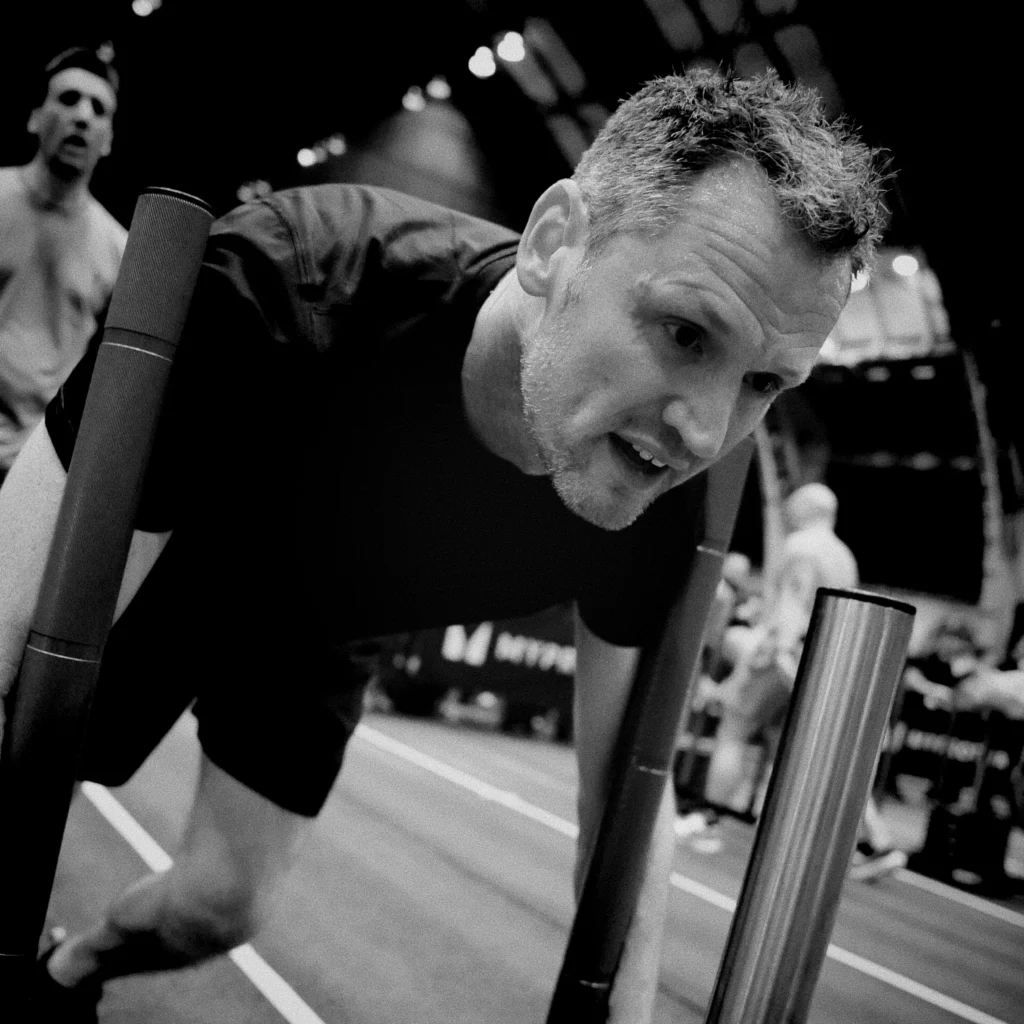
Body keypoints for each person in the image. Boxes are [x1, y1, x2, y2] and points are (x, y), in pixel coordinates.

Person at [0, 69, 887, 1020]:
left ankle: (71, 970)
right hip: (185, 542)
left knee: (221, 906)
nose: (706, 433)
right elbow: (5, 630)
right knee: (24, 761)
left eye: (764, 384)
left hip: (327, 622)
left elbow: (625, 812)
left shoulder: (661, 483)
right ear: (552, 244)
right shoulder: (281, 281)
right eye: (684, 332)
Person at [702, 483, 906, 879]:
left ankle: (710, 818)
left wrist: (768, 656)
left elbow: (792, 608)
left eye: (794, 504)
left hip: (785, 655)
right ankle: (876, 839)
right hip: (821, 660)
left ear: (806, 509)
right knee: (819, 750)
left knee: (733, 729)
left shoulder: (799, 546)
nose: (788, 510)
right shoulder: (844, 556)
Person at [0, 46, 125, 485]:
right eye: (69, 99)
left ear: (107, 140)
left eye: (98, 109)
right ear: (35, 118)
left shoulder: (119, 250)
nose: (83, 116)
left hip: (36, 468)